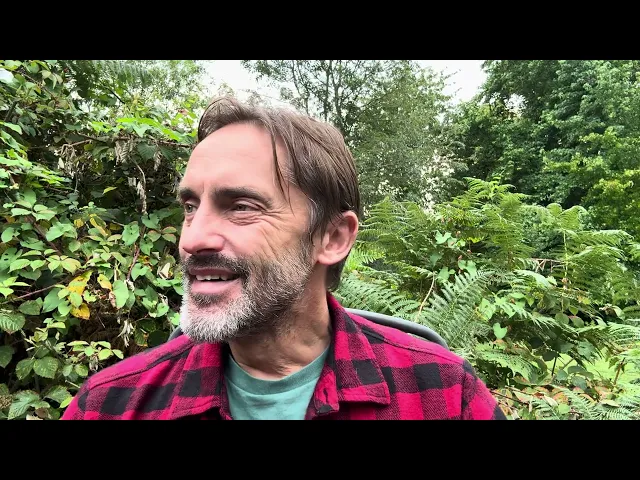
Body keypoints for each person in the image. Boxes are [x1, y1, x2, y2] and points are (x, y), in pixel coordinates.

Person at [61, 96, 506, 420]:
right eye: (191, 207)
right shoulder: (109, 405)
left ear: (332, 238)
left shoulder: (442, 394)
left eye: (241, 207)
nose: (193, 239)